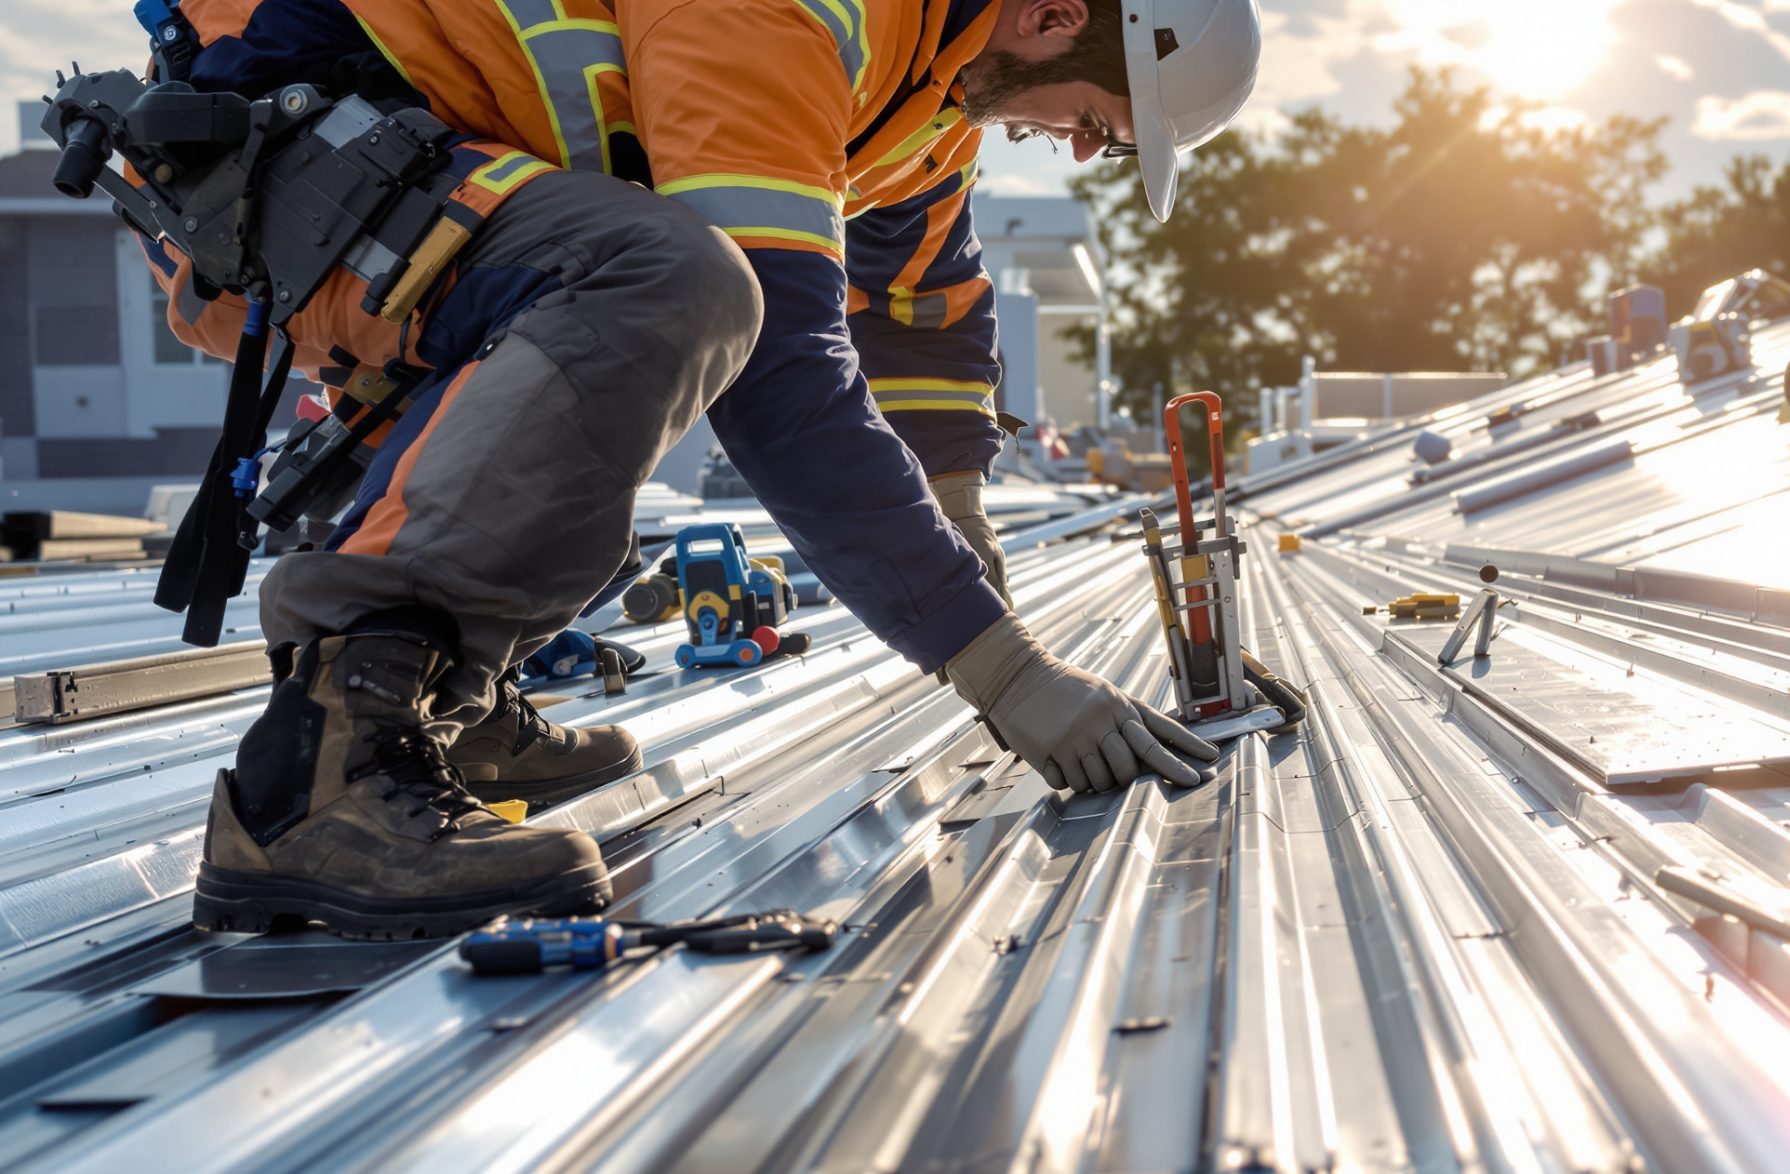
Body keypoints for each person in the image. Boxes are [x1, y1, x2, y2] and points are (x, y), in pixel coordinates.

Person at [104, 0, 1261, 937]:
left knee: (632, 283)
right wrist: (1002, 669)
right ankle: (321, 778)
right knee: (671, 284)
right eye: (1097, 124)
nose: (1077, 150)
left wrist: (954, 505)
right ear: (1054, 18)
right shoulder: (805, 12)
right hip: (295, 149)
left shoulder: (934, 89)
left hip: (409, 171)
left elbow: (921, 304)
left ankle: (441, 698)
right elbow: (782, 372)